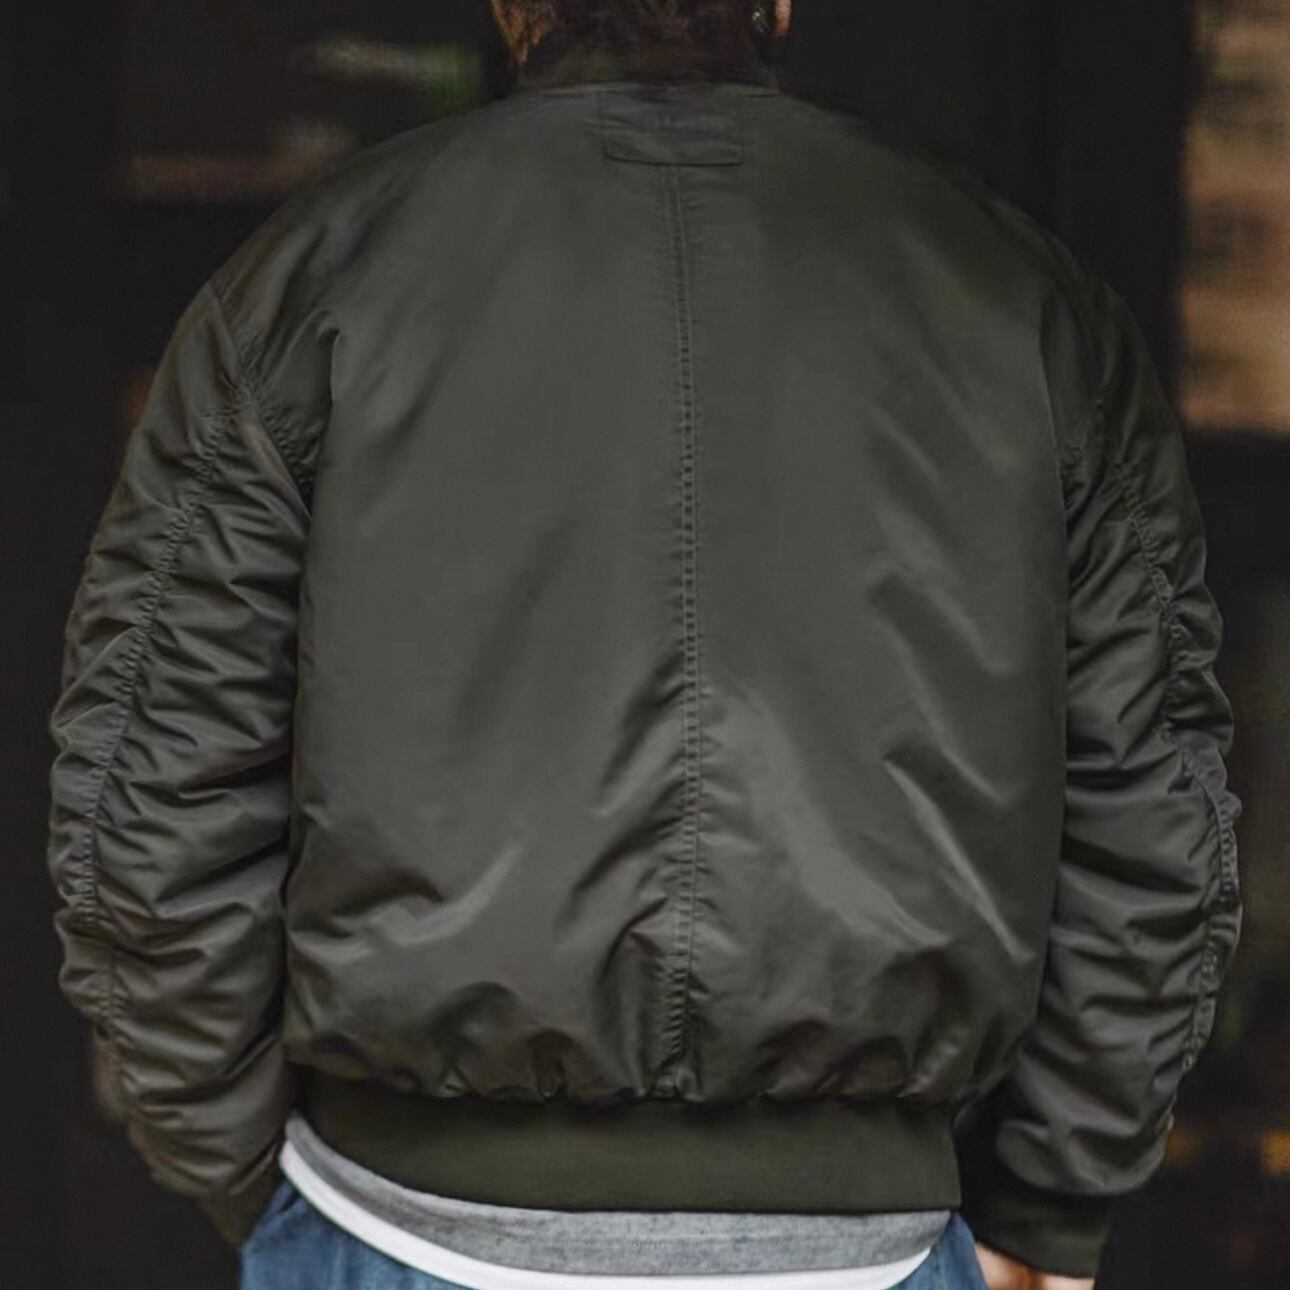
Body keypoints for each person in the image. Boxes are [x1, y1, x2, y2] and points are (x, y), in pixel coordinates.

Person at [43, 2, 1243, 1289]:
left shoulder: (310, 281)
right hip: (861, 1245)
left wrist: (252, 1174)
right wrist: (1050, 1199)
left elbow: (153, 786)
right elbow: (1150, 803)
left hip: (399, 1222)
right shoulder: (1025, 300)